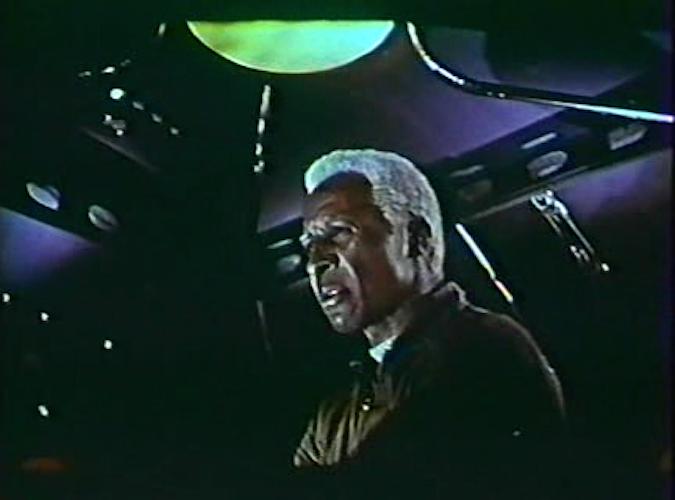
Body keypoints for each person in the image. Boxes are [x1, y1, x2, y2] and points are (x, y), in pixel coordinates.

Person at [292, 149, 566, 499]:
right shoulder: (337, 411)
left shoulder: (483, 350)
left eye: (340, 233)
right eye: (310, 245)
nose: (316, 261)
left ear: (417, 238)